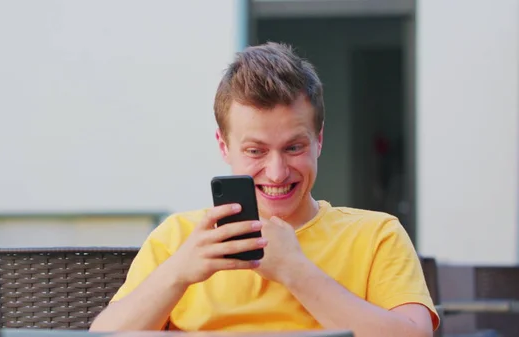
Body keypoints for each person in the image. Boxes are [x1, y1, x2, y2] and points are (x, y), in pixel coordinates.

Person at [90, 42, 439, 336]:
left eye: (293, 148)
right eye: (255, 151)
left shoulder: (376, 235)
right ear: (224, 146)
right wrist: (177, 273)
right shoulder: (179, 239)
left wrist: (296, 271)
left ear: (318, 140)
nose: (276, 172)